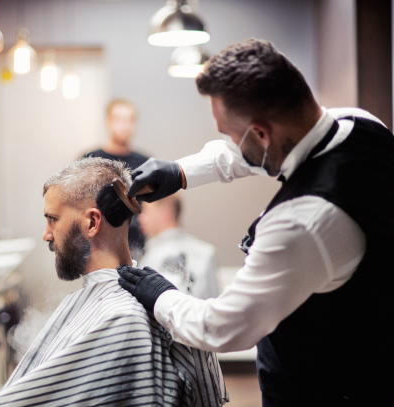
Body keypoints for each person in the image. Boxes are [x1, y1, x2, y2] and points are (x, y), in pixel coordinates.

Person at [118, 38, 394, 406]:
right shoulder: (358, 124)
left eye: (230, 133)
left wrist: (162, 296)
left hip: (322, 390)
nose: (230, 144)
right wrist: (181, 171)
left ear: (262, 133)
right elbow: (246, 153)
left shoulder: (303, 224)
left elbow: (222, 327)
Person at [0, 158, 228, 407]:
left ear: (93, 222)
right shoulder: (127, 303)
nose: (46, 234)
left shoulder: (120, 318)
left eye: (52, 218)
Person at [83, 99, 150, 258]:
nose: (124, 126)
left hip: (135, 246)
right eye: (119, 119)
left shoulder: (146, 163)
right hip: (97, 244)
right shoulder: (90, 160)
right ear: (108, 121)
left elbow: (152, 207)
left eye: (130, 120)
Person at [139, 193, 218, 299]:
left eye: (146, 211)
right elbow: (214, 306)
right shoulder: (207, 252)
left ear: (166, 216)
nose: (140, 218)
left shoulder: (152, 256)